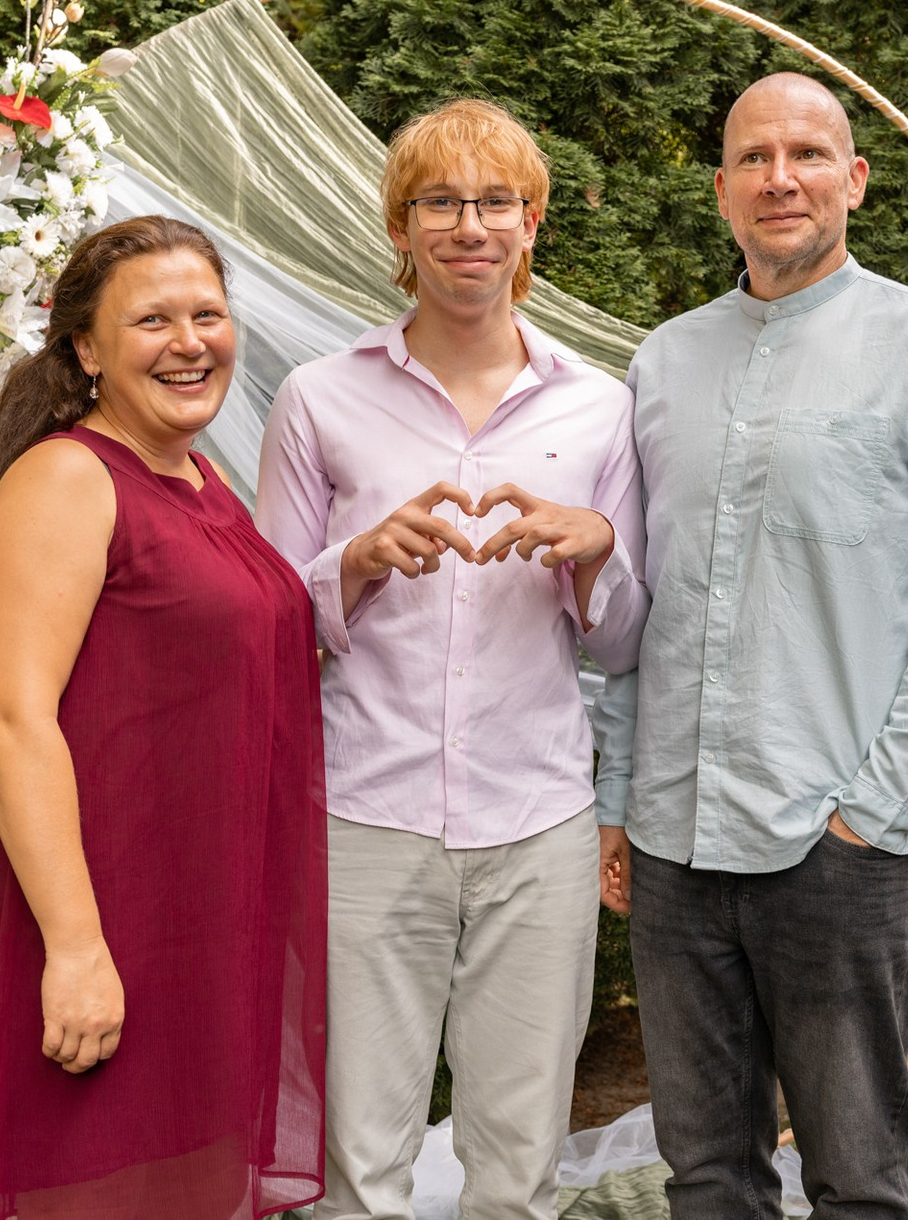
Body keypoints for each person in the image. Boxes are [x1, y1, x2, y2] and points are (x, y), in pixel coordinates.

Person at [592, 73, 908, 1219]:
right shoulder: (663, 362)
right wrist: (618, 797)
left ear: (856, 179)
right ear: (721, 191)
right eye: (754, 157)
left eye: (807, 153)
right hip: (677, 843)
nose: (780, 177)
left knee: (858, 1184)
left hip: (841, 847)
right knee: (707, 1177)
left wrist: (875, 810)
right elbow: (636, 599)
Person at [255, 97, 649, 1220]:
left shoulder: (601, 408)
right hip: (367, 818)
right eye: (440, 202)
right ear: (401, 226)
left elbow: (626, 641)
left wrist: (596, 548)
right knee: (358, 1165)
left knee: (519, 1165)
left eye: (495, 203)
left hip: (539, 823)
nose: (470, 225)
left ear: (532, 225)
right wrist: (354, 562)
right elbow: (263, 625)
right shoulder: (320, 398)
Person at [0, 216, 327, 1220]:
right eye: (152, 320)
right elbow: (13, 715)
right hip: (108, 915)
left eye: (208, 314)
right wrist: (75, 949)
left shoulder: (203, 478)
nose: (190, 341)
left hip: (201, 914)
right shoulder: (69, 477)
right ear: (87, 349)